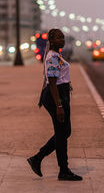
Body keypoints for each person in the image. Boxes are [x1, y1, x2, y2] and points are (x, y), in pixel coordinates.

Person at [27, 28, 83, 181]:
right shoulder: (52, 56)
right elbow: (52, 83)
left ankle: (38, 158)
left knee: (64, 132)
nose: (62, 40)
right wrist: (59, 106)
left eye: (63, 37)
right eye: (58, 38)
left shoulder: (57, 55)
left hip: (60, 95)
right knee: (62, 133)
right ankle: (63, 170)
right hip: (55, 96)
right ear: (51, 40)